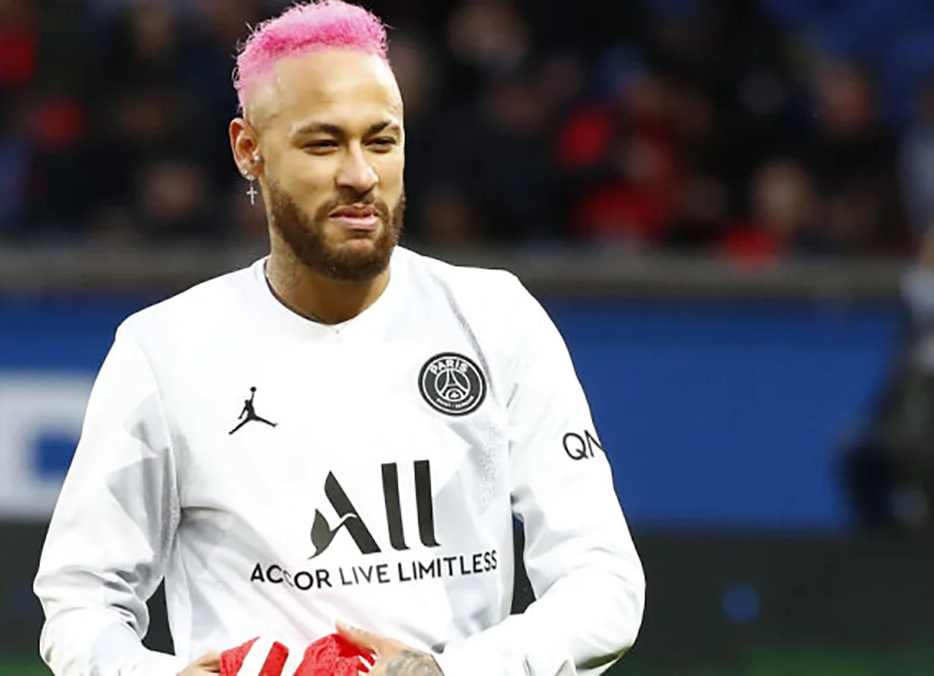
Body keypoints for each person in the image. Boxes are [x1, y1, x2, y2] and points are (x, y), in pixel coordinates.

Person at [33, 2, 645, 675]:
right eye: (323, 144)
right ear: (249, 150)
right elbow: (81, 602)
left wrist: (451, 673)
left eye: (381, 141)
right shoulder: (164, 352)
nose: (360, 174)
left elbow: (604, 582)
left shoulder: (495, 319)